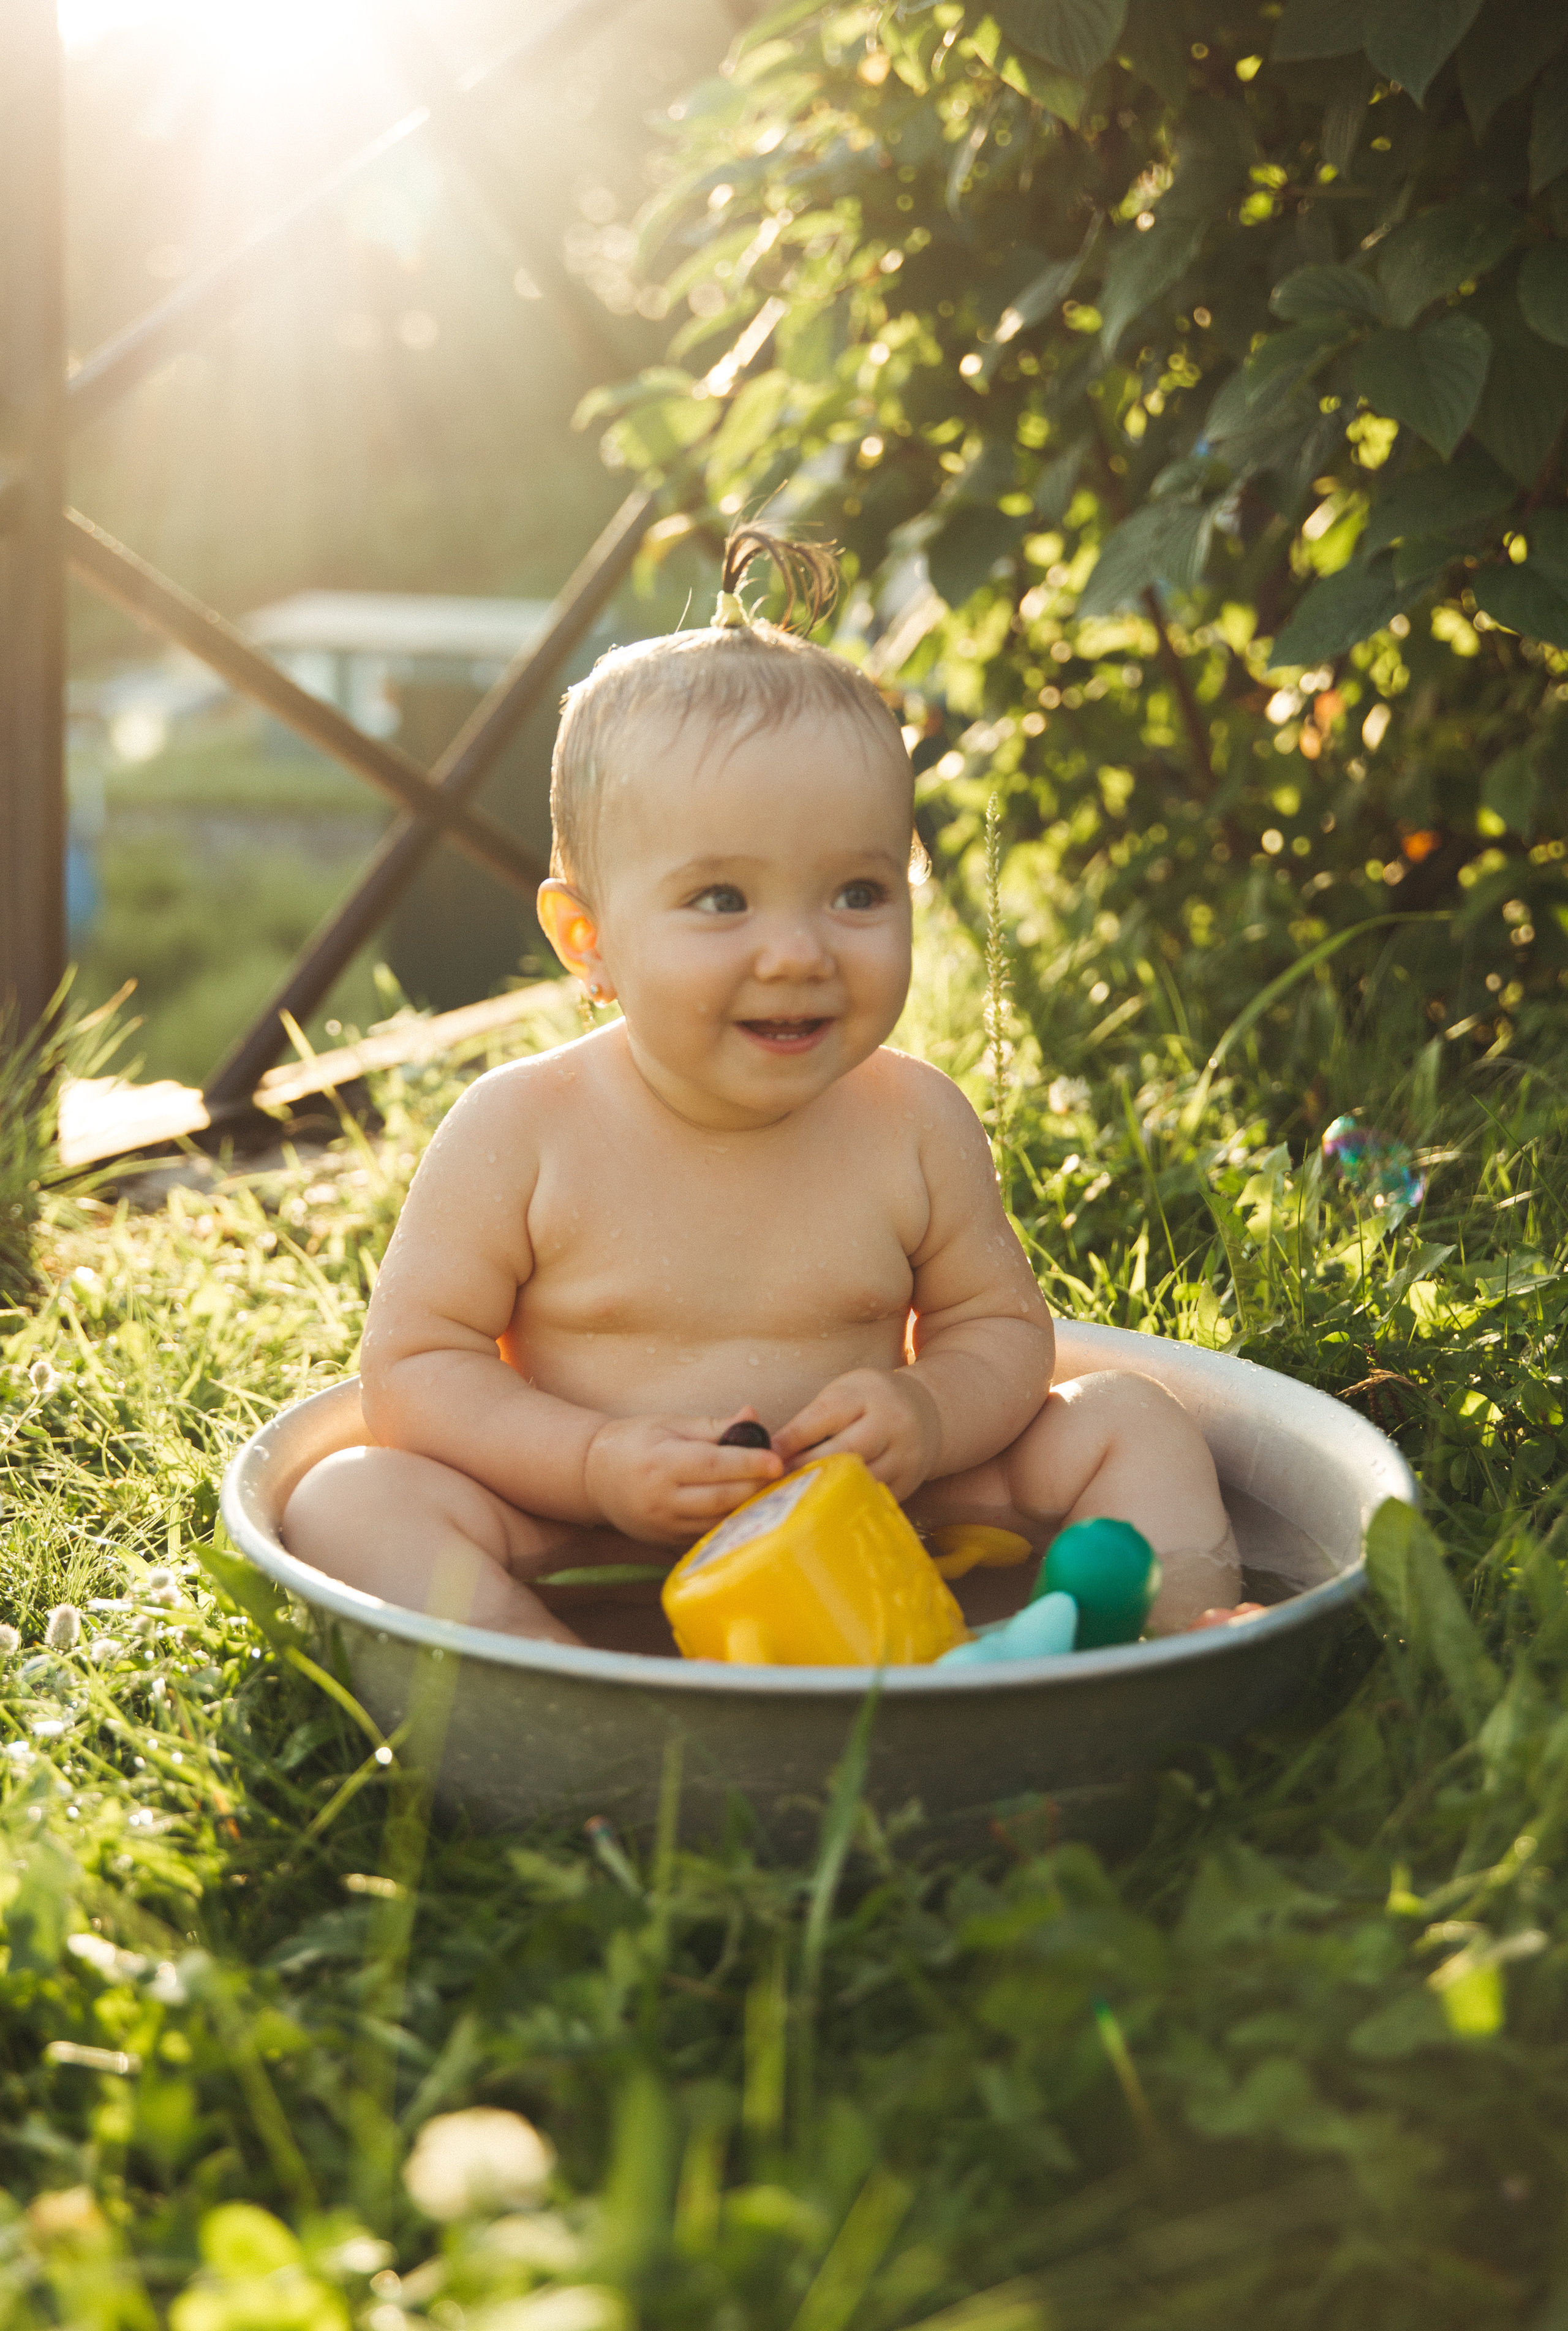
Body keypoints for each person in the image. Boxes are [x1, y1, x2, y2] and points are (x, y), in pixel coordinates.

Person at [284, 526, 1246, 1648]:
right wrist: (591, 1465)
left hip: (885, 1521)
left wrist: (926, 1416)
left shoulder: (915, 1121)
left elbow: (1002, 1332)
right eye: (724, 901)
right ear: (587, 938)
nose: (799, 952)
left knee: (1131, 1418)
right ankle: (559, 1688)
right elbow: (413, 1372)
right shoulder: (523, 1131)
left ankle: (1164, 1649)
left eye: (855, 891)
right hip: (592, 1542)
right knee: (347, 1497)